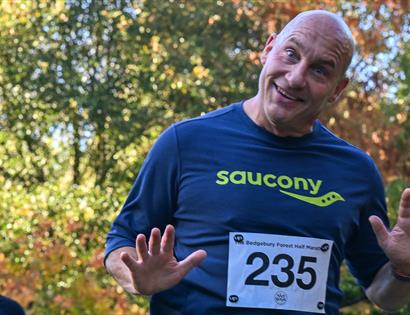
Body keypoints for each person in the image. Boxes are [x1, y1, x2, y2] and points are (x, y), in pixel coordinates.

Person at [104, 10, 410, 314]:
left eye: (320, 70)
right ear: (267, 49)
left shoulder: (356, 171)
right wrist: (136, 277)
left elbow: (386, 297)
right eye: (291, 53)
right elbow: (122, 240)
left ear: (337, 89)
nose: (295, 78)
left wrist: (405, 270)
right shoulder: (186, 142)